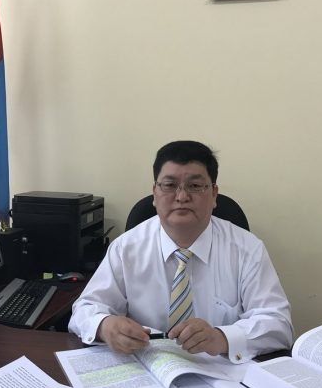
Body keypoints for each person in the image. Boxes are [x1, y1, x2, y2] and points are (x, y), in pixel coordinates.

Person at [68, 140, 293, 363]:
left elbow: (278, 323)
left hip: (222, 371)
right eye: (169, 185)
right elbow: (85, 309)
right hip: (147, 368)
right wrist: (104, 325)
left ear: (214, 194)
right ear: (155, 193)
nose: (182, 197)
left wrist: (221, 338)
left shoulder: (247, 249)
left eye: (195, 186)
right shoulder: (126, 248)